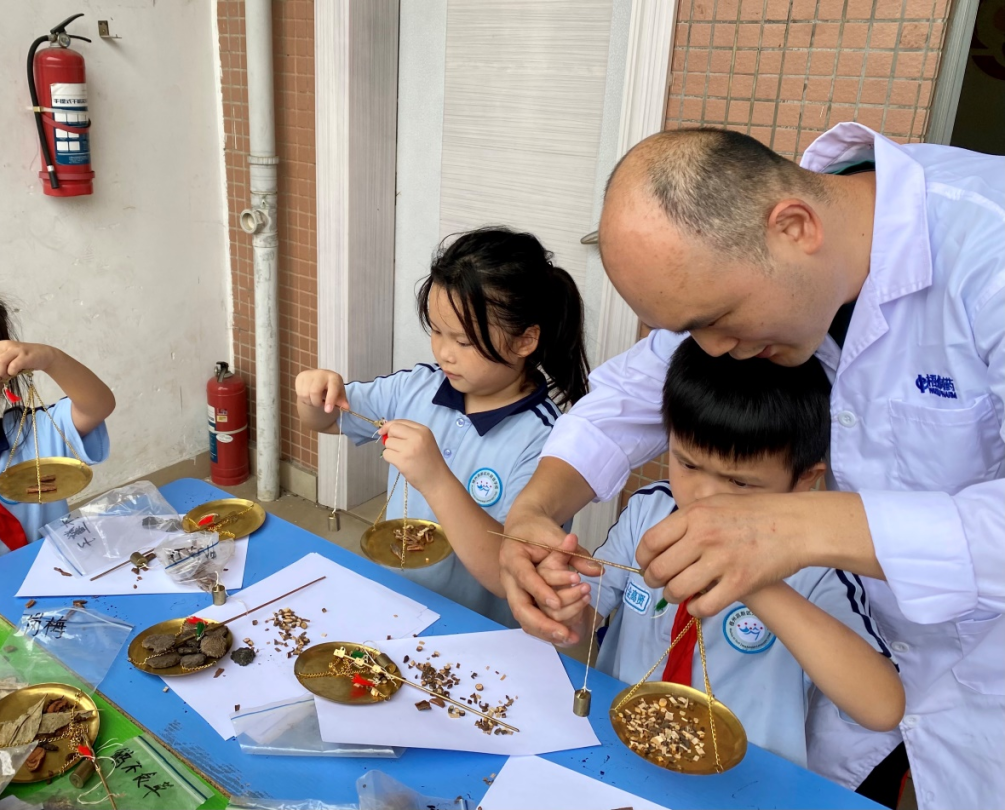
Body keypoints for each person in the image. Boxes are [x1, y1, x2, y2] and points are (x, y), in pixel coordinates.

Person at [500, 124, 1003, 810]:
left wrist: (793, 529)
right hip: (845, 714)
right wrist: (535, 510)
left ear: (794, 227)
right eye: (688, 332)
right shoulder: (752, 278)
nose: (713, 350)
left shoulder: (989, 253)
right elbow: (622, 401)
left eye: (717, 319)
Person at [536, 339, 904, 774]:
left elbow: (881, 708)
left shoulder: (818, 565)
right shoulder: (649, 513)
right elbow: (585, 617)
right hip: (619, 756)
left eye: (740, 483)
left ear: (805, 480)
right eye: (688, 465)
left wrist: (755, 579)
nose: (704, 497)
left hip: (742, 784)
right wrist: (563, 604)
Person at [296, 227, 589, 625]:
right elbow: (327, 420)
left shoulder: (549, 443)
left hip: (475, 631)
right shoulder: (417, 387)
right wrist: (312, 393)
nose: (444, 353)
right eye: (436, 331)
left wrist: (435, 478)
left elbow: (508, 576)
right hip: (393, 605)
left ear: (524, 341)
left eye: (464, 341)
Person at [0, 284, 114, 581]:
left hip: (51, 584)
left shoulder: (30, 436)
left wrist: (51, 359)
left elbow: (97, 406)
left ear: (4, 379)